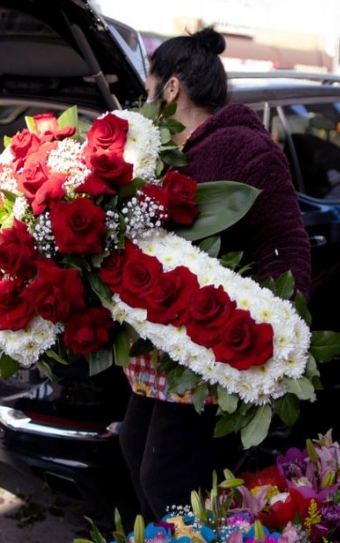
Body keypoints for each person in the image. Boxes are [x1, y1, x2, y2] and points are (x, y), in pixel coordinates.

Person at [118, 27, 312, 520]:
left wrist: (274, 337)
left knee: (170, 481)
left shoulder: (243, 148)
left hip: (215, 345)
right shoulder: (161, 154)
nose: (145, 99)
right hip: (166, 344)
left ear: (171, 88)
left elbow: (287, 245)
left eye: (148, 87)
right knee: (135, 452)